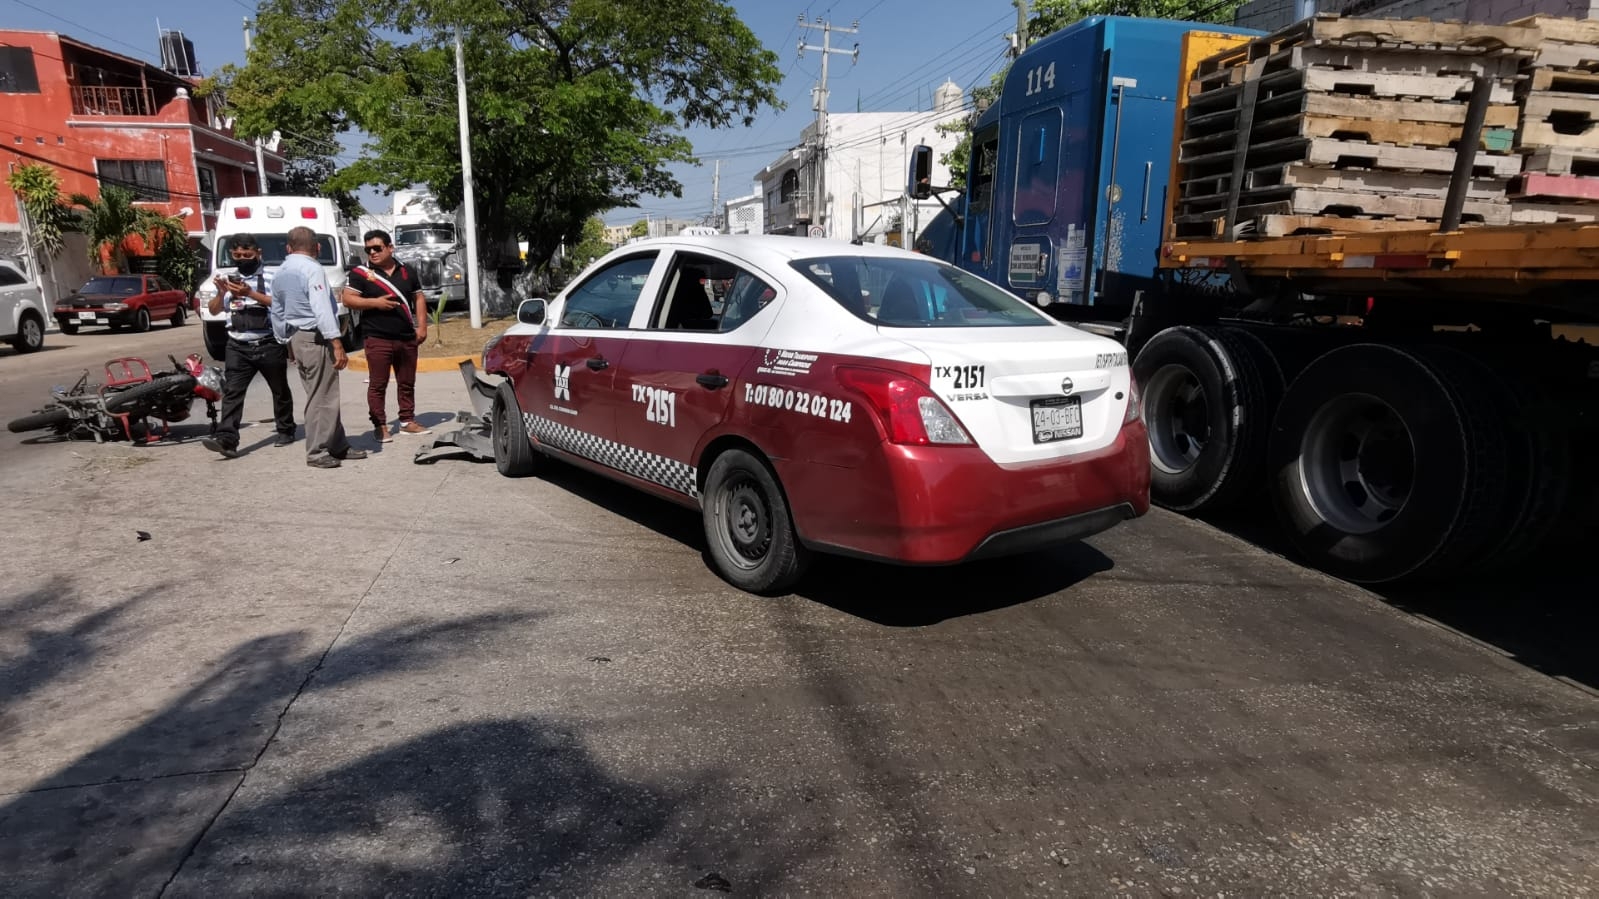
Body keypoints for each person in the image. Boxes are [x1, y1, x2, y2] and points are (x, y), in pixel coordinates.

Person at [269, 226, 367, 469]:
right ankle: (317, 451)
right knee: (322, 397)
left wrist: (286, 341)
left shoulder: (280, 271)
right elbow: (322, 308)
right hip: (316, 337)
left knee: (323, 394)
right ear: (317, 247)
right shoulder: (312, 269)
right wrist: (336, 342)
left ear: (289, 247)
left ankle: (338, 444)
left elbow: (277, 311)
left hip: (298, 338)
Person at [200, 234, 296, 459]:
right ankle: (227, 439)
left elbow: (282, 306)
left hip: (268, 342)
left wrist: (250, 293)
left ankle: (285, 429)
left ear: (258, 253)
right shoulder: (226, 279)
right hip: (237, 344)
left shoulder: (274, 276)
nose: (242, 259)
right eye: (237, 255)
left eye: (247, 255)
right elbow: (214, 310)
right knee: (232, 393)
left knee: (279, 390)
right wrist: (223, 292)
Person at [343, 229, 430, 444]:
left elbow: (418, 298)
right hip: (377, 337)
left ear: (390, 247)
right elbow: (348, 299)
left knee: (407, 382)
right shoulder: (360, 273)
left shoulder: (407, 271)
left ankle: (407, 421)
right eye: (368, 249)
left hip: (406, 336)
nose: (372, 252)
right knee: (378, 383)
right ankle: (379, 425)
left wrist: (422, 327)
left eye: (377, 248)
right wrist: (375, 303)